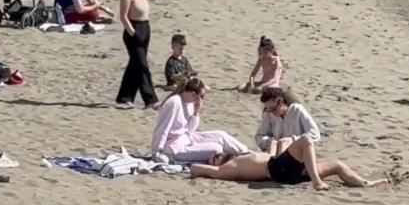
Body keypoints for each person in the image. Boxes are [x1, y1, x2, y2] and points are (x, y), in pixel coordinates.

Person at [189, 135, 388, 191]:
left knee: (336, 164)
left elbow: (270, 152)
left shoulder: (241, 157)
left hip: (289, 171)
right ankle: (317, 182)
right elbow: (199, 169)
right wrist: (205, 166)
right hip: (277, 170)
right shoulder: (228, 168)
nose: (218, 155)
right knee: (305, 140)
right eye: (215, 156)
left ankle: (365, 183)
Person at [151, 78, 249, 162]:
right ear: (194, 94)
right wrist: (156, 152)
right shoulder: (174, 102)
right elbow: (162, 128)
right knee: (216, 149)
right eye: (201, 97)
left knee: (221, 136)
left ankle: (247, 153)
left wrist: (195, 112)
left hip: (187, 139)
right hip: (173, 147)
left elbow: (190, 131)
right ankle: (241, 159)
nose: (200, 100)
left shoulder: (189, 104)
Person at [116, 0, 163, 108]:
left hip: (145, 28)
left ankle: (124, 98)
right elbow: (123, 17)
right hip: (133, 30)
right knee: (142, 65)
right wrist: (133, 33)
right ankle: (150, 99)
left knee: (134, 65)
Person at [255, 87, 321, 156]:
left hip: (298, 153)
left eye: (273, 109)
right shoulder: (269, 114)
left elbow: (315, 134)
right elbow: (259, 136)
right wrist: (269, 141)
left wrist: (292, 140)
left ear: (280, 101)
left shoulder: (297, 110)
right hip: (276, 151)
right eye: (267, 109)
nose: (271, 112)